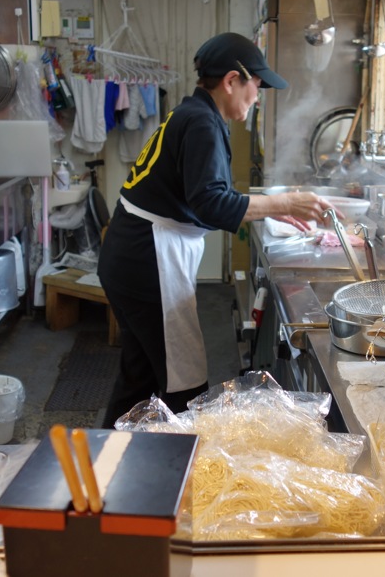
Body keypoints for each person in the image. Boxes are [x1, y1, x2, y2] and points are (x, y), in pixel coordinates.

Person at [97, 32, 338, 427]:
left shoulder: (194, 114)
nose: (257, 96)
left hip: (131, 253)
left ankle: (108, 468)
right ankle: (186, 475)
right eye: (256, 85)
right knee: (184, 384)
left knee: (139, 375)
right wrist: (283, 202)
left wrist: (264, 211)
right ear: (231, 81)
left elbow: (208, 195)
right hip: (148, 257)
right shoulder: (203, 124)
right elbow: (210, 202)